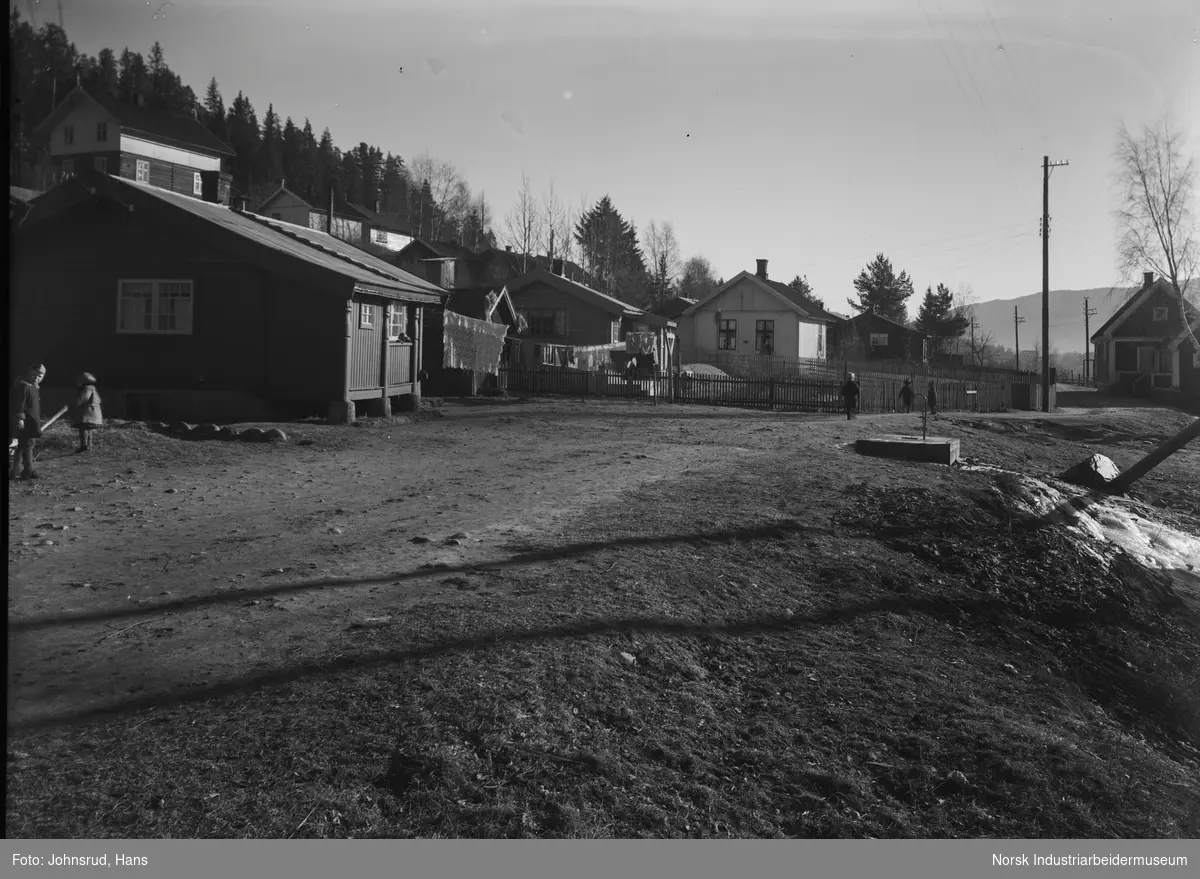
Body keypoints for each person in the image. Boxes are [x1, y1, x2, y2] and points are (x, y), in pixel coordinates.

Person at [9, 363, 46, 480]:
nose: (37, 377)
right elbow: (20, 404)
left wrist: (38, 419)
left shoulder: (33, 387)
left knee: (22, 446)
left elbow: (32, 406)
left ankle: (15, 471)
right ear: (29, 373)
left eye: (40, 376)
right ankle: (28, 471)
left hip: (31, 421)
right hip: (26, 422)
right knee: (29, 444)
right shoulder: (24, 387)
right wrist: (20, 418)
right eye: (34, 375)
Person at [72, 372, 103, 452]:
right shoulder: (92, 388)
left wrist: (75, 403)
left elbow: (84, 398)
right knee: (88, 430)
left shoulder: (88, 388)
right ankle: (88, 447)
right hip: (92, 413)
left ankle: (84, 446)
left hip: (88, 414)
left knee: (83, 429)